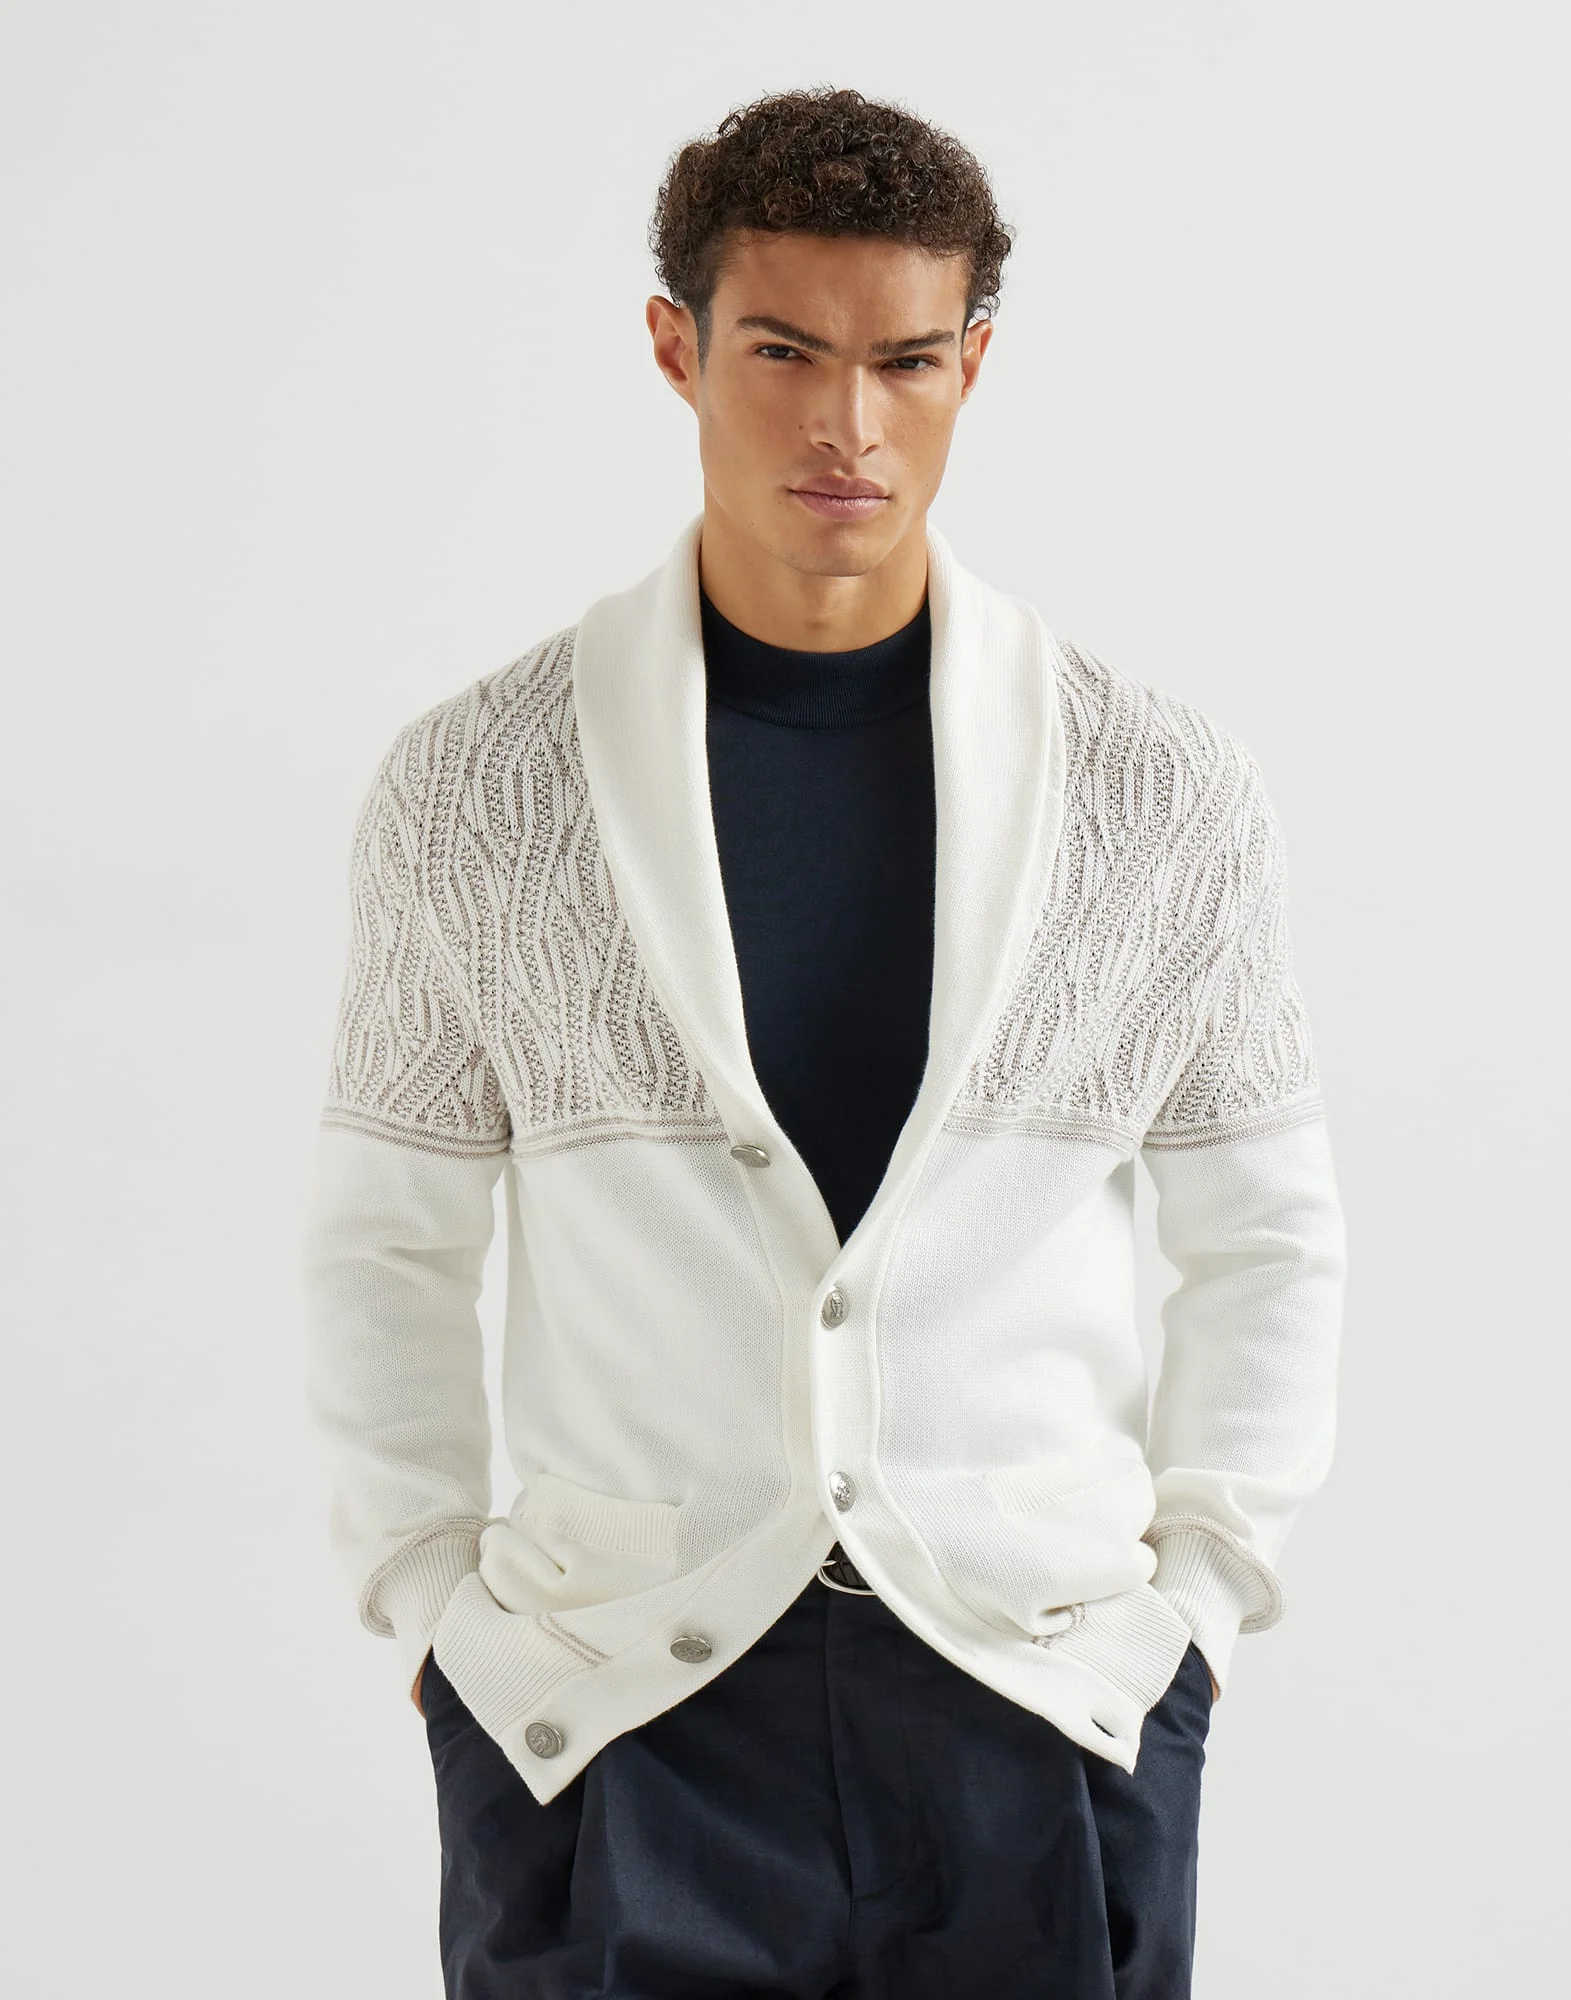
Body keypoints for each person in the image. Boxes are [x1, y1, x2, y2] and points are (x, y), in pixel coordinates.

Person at [300, 83, 1347, 1999]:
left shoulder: (1158, 790)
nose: (845, 424)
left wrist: (1188, 1611)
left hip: (1042, 1691)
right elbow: (386, 1238)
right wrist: (440, 1607)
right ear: (676, 347)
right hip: (615, 1704)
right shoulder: (477, 785)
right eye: (783, 351)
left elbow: (1268, 1234)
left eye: (904, 360)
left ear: (972, 364)